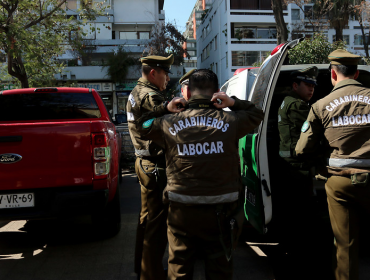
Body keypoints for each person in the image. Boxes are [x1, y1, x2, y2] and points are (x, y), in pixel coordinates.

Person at [135, 69, 264, 279]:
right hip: (221, 210)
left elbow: (142, 124)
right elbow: (257, 113)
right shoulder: (231, 121)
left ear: (187, 93)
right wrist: (232, 102)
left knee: (179, 269)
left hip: (181, 211)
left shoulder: (168, 122)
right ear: (216, 92)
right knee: (220, 270)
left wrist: (164, 108)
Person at [296, 49, 370, 280]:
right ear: (356, 73)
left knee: (345, 245)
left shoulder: (320, 106)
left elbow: (301, 149)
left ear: (333, 74)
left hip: (340, 183)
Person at [126, 54, 174, 280]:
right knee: (156, 227)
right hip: (155, 166)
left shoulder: (136, 92)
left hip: (144, 163)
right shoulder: (151, 96)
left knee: (146, 222)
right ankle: (151, 274)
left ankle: (143, 269)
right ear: (153, 73)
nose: (168, 77)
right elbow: (156, 127)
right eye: (165, 72)